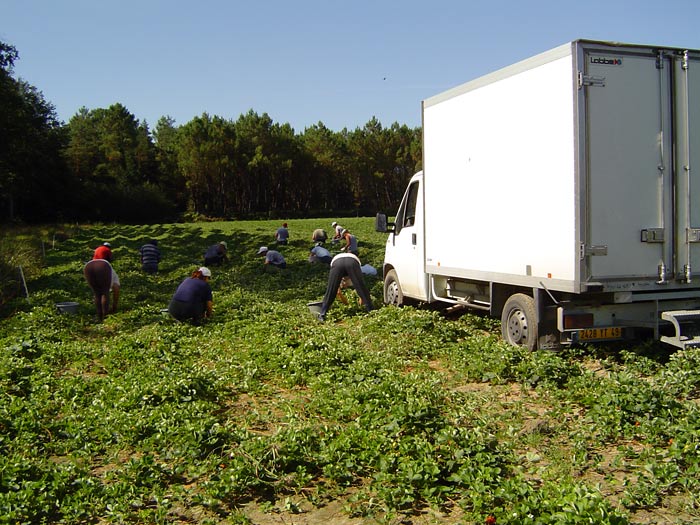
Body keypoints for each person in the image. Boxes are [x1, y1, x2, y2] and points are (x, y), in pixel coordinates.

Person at [316, 253, 373, 322]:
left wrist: (348, 304)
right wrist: (360, 305)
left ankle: (322, 313)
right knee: (361, 287)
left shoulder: (343, 280)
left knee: (331, 289)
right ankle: (371, 310)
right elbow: (360, 290)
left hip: (337, 262)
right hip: (352, 261)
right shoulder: (352, 279)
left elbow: (336, 292)